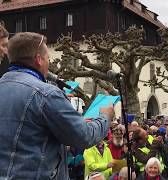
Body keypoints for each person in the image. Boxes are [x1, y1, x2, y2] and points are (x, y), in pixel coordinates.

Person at [0, 32, 112, 179]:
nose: (49, 63)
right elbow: (84, 136)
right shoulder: (47, 94)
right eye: (48, 58)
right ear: (38, 60)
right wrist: (105, 117)